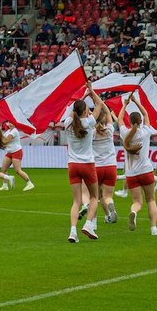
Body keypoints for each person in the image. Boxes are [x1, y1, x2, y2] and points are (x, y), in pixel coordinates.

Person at [64, 87, 106, 242]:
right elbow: (100, 105)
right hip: (87, 164)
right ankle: (88, 224)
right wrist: (91, 91)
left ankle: (72, 231)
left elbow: (73, 110)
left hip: (72, 165)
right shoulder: (89, 122)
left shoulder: (68, 122)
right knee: (95, 196)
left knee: (76, 201)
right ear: (84, 111)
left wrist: (82, 95)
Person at [119, 94, 157, 236]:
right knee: (151, 200)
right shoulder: (145, 132)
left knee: (137, 202)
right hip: (146, 171)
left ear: (129, 122)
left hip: (131, 174)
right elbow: (146, 113)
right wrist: (136, 101)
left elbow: (119, 119)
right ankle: (154, 228)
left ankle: (133, 212)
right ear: (140, 121)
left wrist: (125, 105)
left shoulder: (125, 133)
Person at [92, 107, 120, 224]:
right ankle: (110, 210)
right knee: (108, 196)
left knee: (96, 197)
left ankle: (98, 220)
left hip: (97, 167)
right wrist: (102, 104)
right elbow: (108, 113)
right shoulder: (109, 130)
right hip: (111, 166)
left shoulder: (91, 132)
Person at [0, 120, 34, 192]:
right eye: (9, 123)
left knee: (17, 170)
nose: (9, 124)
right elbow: (3, 140)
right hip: (10, 152)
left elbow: (5, 141)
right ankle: (5, 185)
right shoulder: (8, 131)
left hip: (16, 151)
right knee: (3, 169)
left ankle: (29, 183)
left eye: (11, 123)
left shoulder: (14, 131)